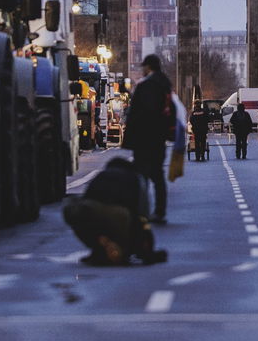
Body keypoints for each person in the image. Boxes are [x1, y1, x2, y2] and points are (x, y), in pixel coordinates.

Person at [61, 156, 166, 265]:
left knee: (87, 221)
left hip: (86, 211)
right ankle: (121, 253)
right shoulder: (135, 177)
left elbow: (87, 197)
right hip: (118, 215)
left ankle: (98, 250)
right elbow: (143, 212)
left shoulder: (102, 175)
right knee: (127, 224)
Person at [121, 54, 175, 223]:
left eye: (143, 67)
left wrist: (133, 132)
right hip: (158, 137)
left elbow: (144, 112)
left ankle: (141, 211)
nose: (142, 70)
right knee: (157, 174)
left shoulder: (149, 86)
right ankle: (159, 210)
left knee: (142, 175)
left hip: (145, 137)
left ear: (148, 67)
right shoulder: (165, 84)